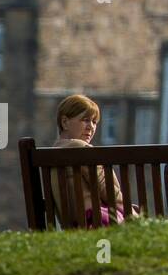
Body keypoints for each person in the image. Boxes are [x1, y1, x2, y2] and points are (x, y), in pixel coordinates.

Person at [50, 94, 130, 227]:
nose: (91, 127)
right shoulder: (81, 149)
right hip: (95, 219)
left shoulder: (52, 154)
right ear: (64, 122)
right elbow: (106, 187)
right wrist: (130, 212)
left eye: (94, 122)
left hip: (73, 224)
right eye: (85, 120)